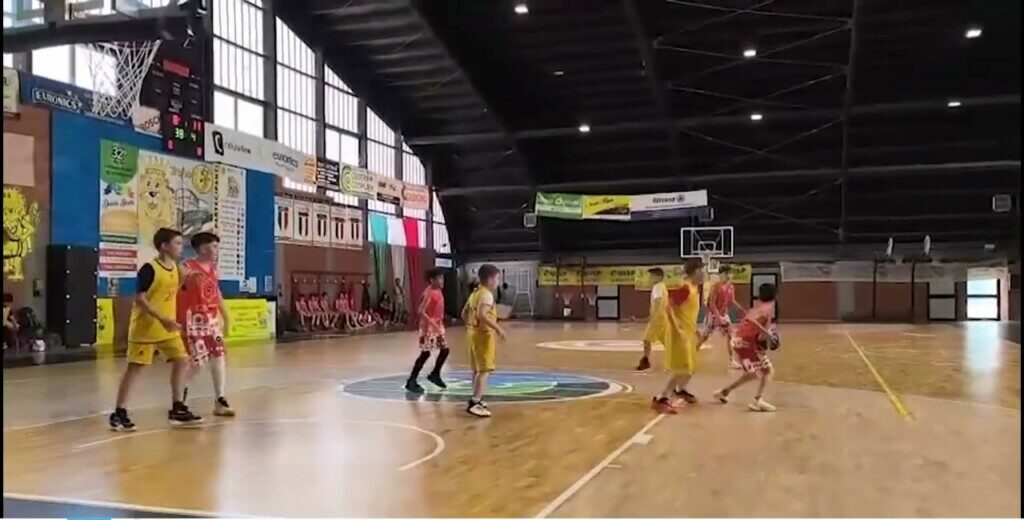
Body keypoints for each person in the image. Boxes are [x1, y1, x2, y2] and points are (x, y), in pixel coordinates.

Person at [110, 228, 202, 431]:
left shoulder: (176, 268)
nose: (181, 247)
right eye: (177, 243)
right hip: (146, 327)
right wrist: (162, 318)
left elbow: (173, 290)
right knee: (135, 369)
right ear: (164, 246)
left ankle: (178, 407)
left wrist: (188, 278)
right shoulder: (149, 269)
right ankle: (119, 412)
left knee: (182, 360)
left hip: (167, 327)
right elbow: (139, 298)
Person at [178, 232, 234, 417]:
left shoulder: (213, 269)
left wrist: (226, 316)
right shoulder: (186, 266)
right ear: (202, 248)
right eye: (214, 246)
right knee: (197, 361)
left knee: (219, 356)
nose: (217, 250)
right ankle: (180, 399)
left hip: (211, 319)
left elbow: (216, 293)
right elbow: (175, 286)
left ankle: (220, 399)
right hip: (193, 319)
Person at [714, 283, 778, 412]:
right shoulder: (768, 308)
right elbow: (755, 325)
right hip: (747, 344)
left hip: (739, 342)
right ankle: (757, 400)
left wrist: (764, 335)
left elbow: (750, 321)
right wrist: (768, 334)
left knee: (753, 373)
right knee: (766, 370)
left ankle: (724, 392)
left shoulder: (757, 306)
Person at [651, 260, 705, 415]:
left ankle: (680, 389)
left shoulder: (695, 289)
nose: (704, 274)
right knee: (682, 367)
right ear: (695, 272)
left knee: (691, 367)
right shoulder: (685, 288)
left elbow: (688, 313)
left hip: (688, 332)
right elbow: (669, 307)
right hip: (679, 333)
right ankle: (662, 398)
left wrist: (696, 329)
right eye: (701, 271)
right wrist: (677, 328)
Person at [462, 264, 506, 418]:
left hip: (472, 333)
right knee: (485, 370)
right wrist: (498, 328)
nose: (498, 282)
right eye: (497, 279)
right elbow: (482, 314)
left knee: (476, 369)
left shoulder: (474, 293)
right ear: (490, 279)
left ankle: (477, 398)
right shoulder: (487, 295)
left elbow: (464, 313)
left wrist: (471, 325)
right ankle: (475, 402)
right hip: (483, 335)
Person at [405, 268, 449, 393]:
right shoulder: (429, 293)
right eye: (439, 278)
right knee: (426, 353)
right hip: (429, 328)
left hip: (437, 327)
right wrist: (432, 323)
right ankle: (411, 381)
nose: (442, 281)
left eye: (442, 278)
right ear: (432, 280)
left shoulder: (438, 291)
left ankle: (435, 374)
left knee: (444, 350)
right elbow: (421, 310)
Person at [699, 266, 746, 367]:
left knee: (730, 336)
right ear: (721, 275)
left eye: (730, 274)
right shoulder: (715, 287)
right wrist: (718, 318)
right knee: (704, 337)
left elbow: (732, 301)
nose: (729, 276)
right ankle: (692, 354)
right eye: (726, 273)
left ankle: (732, 361)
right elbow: (712, 304)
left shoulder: (731, 287)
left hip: (724, 315)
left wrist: (742, 310)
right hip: (713, 315)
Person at [636, 268, 667, 371]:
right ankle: (678, 360)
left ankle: (645, 361)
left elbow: (658, 302)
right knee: (667, 342)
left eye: (652, 276)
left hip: (657, 319)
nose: (650, 278)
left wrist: (653, 316)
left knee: (646, 340)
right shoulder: (663, 287)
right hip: (663, 318)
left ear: (659, 277)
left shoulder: (657, 287)